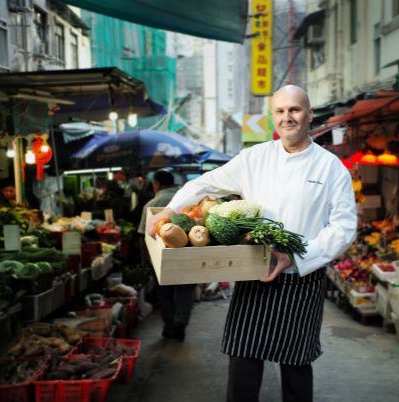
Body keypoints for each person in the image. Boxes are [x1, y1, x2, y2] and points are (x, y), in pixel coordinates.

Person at [146, 85, 357, 401]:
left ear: (310, 114)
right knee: (243, 358)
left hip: (303, 278)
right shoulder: (253, 158)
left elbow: (343, 227)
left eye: (295, 110)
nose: (288, 117)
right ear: (273, 116)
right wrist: (169, 209)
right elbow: (205, 183)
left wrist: (296, 257)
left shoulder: (331, 168)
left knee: (296, 363)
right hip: (254, 271)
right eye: (280, 111)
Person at [138, 169, 196, 340]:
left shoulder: (151, 204)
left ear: (156, 184)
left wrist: (144, 259)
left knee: (165, 293)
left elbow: (142, 235)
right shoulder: (188, 200)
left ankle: (169, 327)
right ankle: (181, 321)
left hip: (160, 258)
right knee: (186, 289)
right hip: (188, 254)